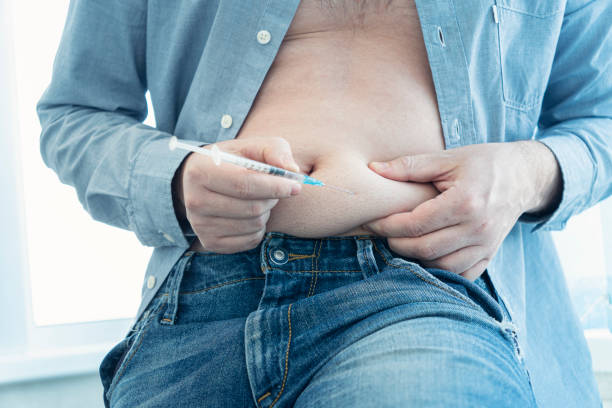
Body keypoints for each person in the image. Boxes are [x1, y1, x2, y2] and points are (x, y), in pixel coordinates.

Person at [37, 0, 610, 407]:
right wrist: (175, 179)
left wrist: (525, 175)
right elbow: (74, 113)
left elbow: (601, 116)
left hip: (417, 291)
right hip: (198, 306)